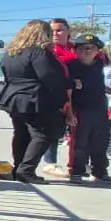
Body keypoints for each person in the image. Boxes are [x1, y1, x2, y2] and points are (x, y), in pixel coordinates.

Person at [0, 20, 69, 184]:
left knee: (21, 134)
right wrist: (62, 99)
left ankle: (18, 168)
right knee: (43, 134)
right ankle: (26, 169)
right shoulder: (39, 52)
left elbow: (7, 74)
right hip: (34, 98)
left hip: (13, 97)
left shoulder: (11, 52)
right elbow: (50, 77)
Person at [65, 34, 111, 184]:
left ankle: (100, 171)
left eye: (91, 48)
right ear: (76, 51)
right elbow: (68, 92)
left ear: (97, 51)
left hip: (99, 108)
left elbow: (101, 86)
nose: (87, 51)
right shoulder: (71, 67)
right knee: (80, 143)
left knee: (101, 142)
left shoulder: (99, 64)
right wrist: (70, 113)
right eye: (82, 48)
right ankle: (76, 171)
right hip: (80, 110)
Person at [39, 18, 77, 176]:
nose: (55, 33)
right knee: (53, 130)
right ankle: (50, 162)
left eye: (59, 30)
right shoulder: (48, 51)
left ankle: (79, 164)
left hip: (79, 95)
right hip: (56, 96)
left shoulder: (76, 49)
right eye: (52, 31)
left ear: (68, 32)